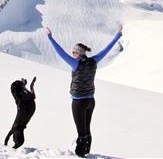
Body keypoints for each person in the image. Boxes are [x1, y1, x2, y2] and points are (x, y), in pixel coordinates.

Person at [46, 26, 123, 157]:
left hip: (79, 102)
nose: (71, 54)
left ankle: (80, 153)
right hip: (91, 101)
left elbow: (60, 52)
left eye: (73, 52)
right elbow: (106, 49)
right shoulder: (94, 61)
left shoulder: (76, 64)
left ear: (78, 53)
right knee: (87, 128)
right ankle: (87, 150)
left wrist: (50, 37)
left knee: (81, 131)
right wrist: (117, 36)